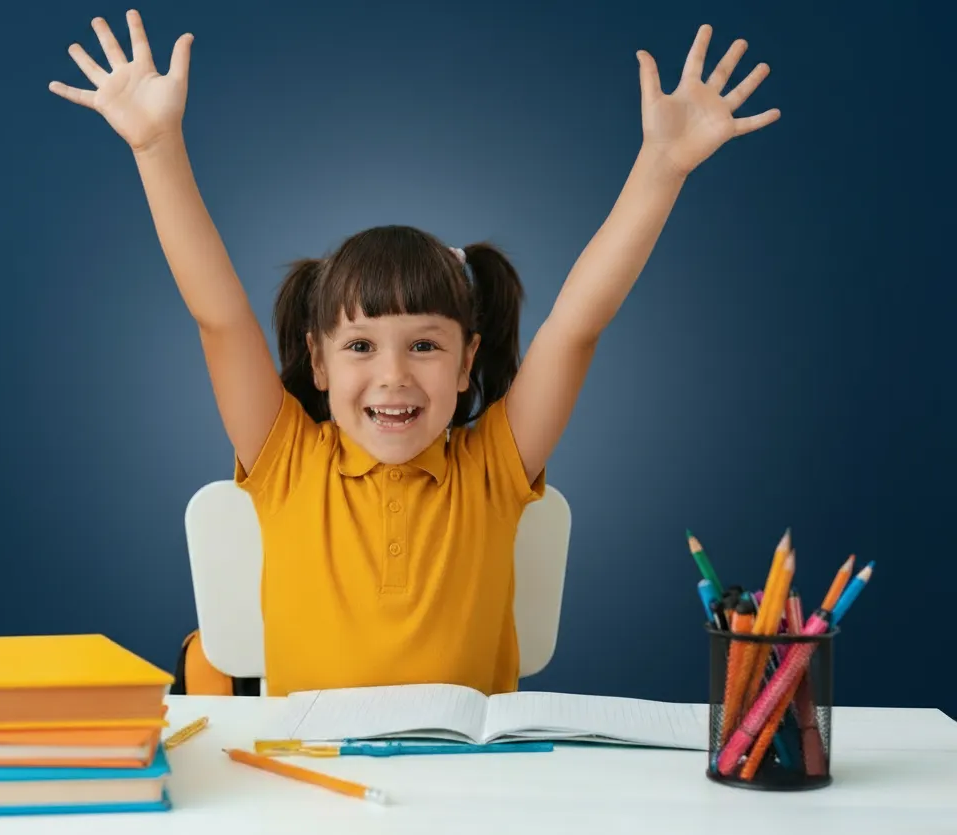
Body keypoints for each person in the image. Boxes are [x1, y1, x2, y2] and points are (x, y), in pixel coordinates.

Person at [49, 10, 779, 696]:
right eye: (361, 344)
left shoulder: (494, 467)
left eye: (425, 345)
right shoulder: (286, 461)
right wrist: (155, 147)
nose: (393, 376)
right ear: (320, 360)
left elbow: (578, 324)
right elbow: (217, 314)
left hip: (471, 798)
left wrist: (662, 167)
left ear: (466, 365)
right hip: (310, 794)